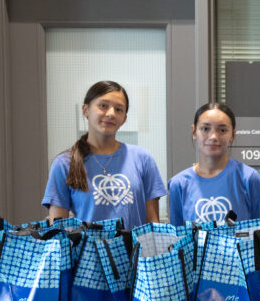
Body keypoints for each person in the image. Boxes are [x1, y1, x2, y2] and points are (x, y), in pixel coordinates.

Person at [42, 80, 167, 228]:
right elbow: (57, 230)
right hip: (88, 251)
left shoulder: (142, 158)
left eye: (119, 109)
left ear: (124, 119)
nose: (111, 114)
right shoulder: (64, 163)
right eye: (103, 106)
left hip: (136, 251)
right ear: (86, 110)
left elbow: (153, 225)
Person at [167, 102, 260, 225]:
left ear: (233, 135)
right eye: (205, 129)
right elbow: (178, 238)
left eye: (222, 130)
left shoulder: (248, 178)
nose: (213, 136)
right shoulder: (179, 184)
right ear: (194, 132)